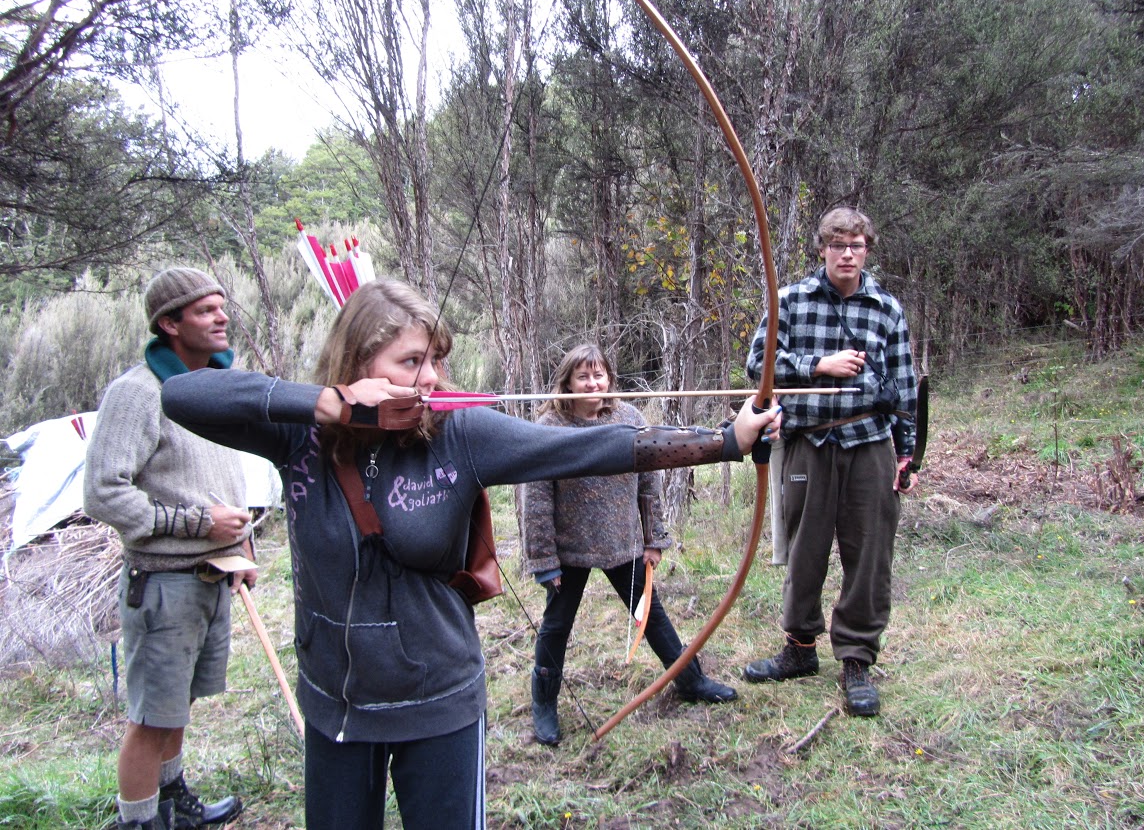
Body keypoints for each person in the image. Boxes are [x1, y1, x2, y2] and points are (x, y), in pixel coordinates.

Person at [158, 278, 781, 830]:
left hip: (438, 700)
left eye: (436, 361)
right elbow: (184, 395)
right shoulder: (299, 435)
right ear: (359, 362)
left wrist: (726, 441)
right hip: (337, 704)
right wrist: (326, 403)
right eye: (411, 362)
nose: (431, 379)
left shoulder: (459, 433)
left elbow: (594, 447)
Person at [84, 268, 254, 830]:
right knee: (151, 716)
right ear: (169, 323)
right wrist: (197, 523)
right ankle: (138, 821)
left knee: (176, 707)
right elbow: (104, 493)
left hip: (212, 574)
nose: (221, 317)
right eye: (205, 311)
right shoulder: (137, 393)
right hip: (163, 584)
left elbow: (223, 483)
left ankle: (172, 800)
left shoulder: (217, 389)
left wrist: (240, 542)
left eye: (221, 307)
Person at [743, 207, 918, 717]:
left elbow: (905, 386)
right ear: (822, 248)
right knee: (805, 550)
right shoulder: (791, 300)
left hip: (869, 445)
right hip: (808, 442)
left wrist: (908, 452)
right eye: (838, 243)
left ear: (867, 251)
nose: (847, 253)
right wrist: (817, 365)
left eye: (857, 245)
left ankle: (856, 659)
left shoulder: (886, 308)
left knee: (869, 555)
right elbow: (758, 364)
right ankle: (799, 650)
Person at [521, 344, 739, 746]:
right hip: (569, 550)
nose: (592, 383)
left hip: (624, 544)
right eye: (583, 376)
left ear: (610, 378)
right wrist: (544, 559)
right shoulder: (550, 425)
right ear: (567, 381)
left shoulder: (629, 418)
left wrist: (653, 538)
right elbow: (535, 498)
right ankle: (544, 705)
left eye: (599, 375)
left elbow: (648, 482)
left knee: (651, 616)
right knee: (555, 627)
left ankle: (689, 681)